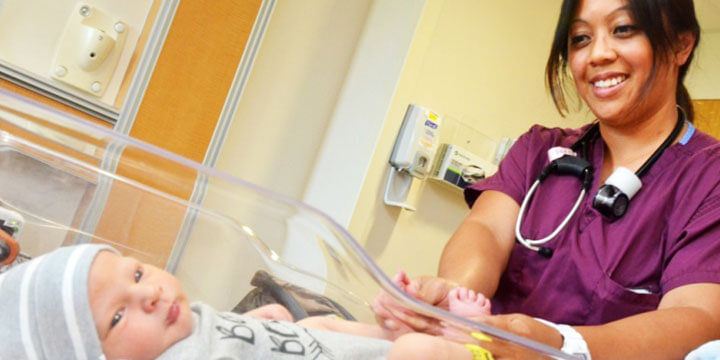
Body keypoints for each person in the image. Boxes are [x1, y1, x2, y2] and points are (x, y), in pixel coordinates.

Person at [372, 0, 720, 359]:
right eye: (581, 38)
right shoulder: (539, 150)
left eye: (623, 29)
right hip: (485, 349)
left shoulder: (709, 178)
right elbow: (487, 231)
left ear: (681, 44)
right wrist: (455, 292)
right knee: (323, 330)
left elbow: (697, 317)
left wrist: (559, 345)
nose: (597, 54)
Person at [0, 244, 494, 360]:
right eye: (116, 315)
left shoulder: (179, 324)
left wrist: (259, 319)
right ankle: (468, 346)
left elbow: (226, 335)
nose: (149, 293)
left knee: (329, 326)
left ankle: (408, 333)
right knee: (412, 355)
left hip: (304, 346)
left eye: (136, 273)